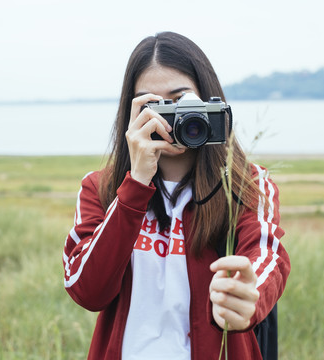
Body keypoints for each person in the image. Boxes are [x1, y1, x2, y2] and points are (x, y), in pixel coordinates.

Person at [62, 31, 290, 360]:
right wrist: (136, 183)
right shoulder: (101, 187)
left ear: (210, 102)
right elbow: (87, 290)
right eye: (152, 105)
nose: (170, 119)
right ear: (130, 113)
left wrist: (249, 295)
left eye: (182, 100)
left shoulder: (247, 183)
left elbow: (268, 258)